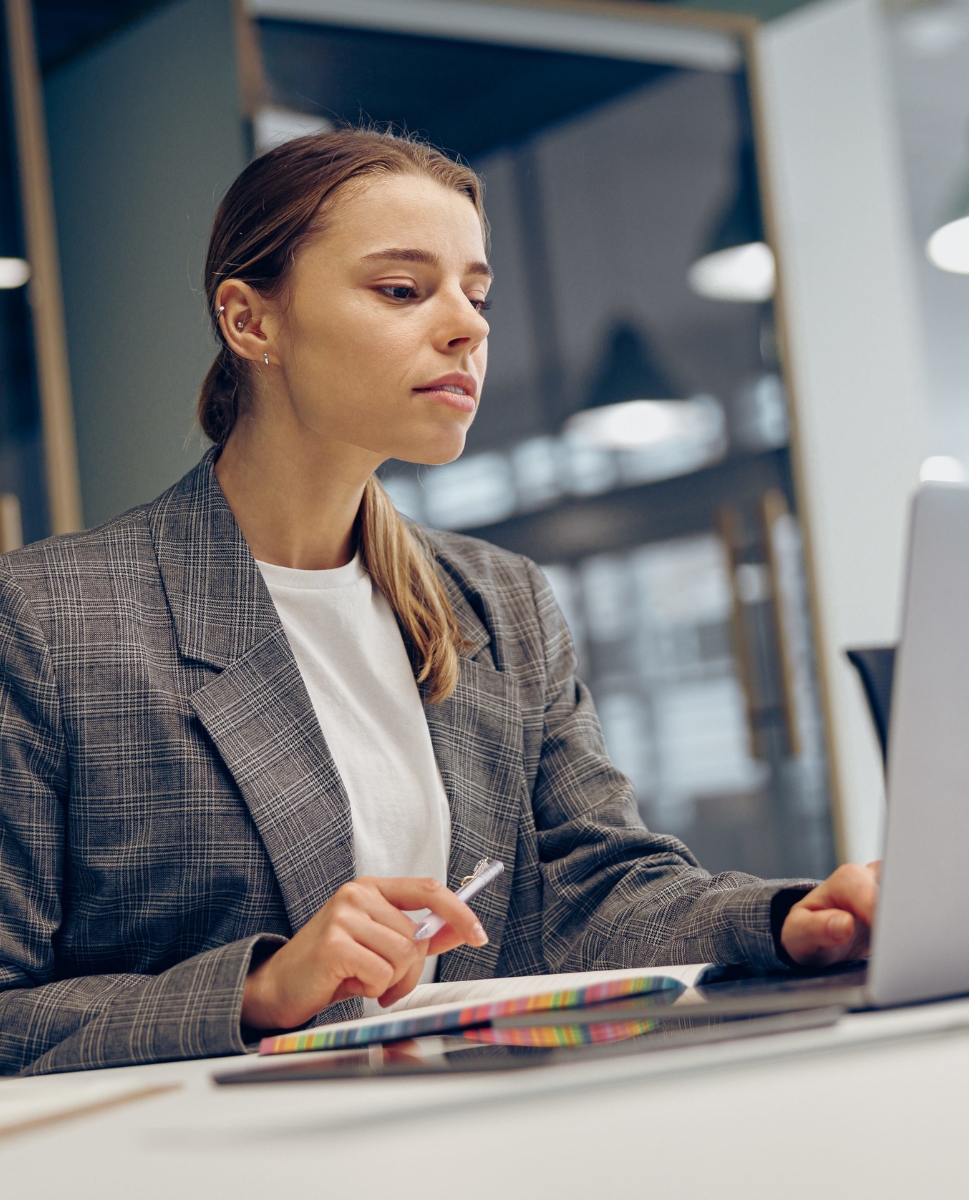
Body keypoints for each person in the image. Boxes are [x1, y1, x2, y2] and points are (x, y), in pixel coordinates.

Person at [0, 129, 878, 1076]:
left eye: (477, 291)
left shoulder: (499, 601)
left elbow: (590, 893)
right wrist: (255, 991)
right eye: (402, 290)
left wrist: (789, 921)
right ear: (251, 323)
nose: (468, 325)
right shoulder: (52, 620)